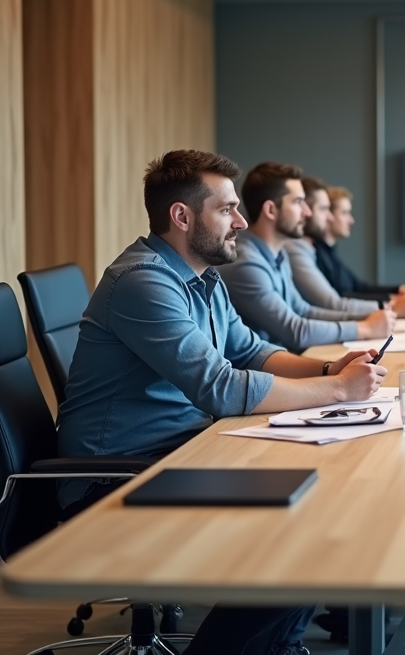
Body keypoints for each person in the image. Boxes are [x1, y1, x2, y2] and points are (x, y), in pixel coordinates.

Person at [58, 150, 387, 655]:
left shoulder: (203, 278)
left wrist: (329, 369)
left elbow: (250, 351)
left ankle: (276, 646)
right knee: (299, 534)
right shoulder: (143, 282)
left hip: (181, 453)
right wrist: (340, 391)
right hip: (118, 478)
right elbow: (222, 388)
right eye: (227, 210)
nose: (241, 221)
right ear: (182, 217)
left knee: (323, 503)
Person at [219, 163, 395, 352]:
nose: (307, 212)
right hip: (264, 372)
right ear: (270, 210)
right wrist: (365, 328)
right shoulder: (246, 264)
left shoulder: (279, 254)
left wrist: (372, 316)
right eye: (297, 202)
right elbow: (294, 331)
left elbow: (304, 311)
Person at [286, 178, 405, 318]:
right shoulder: (298, 251)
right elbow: (335, 302)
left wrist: (399, 293)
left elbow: (357, 287)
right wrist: (391, 305)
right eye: (324, 209)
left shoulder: (312, 250)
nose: (330, 218)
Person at [318, 185, 405, 303]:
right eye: (344, 213)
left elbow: (361, 287)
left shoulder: (330, 253)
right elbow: (342, 297)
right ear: (328, 215)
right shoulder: (319, 255)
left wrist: (403, 290)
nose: (351, 220)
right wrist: (395, 300)